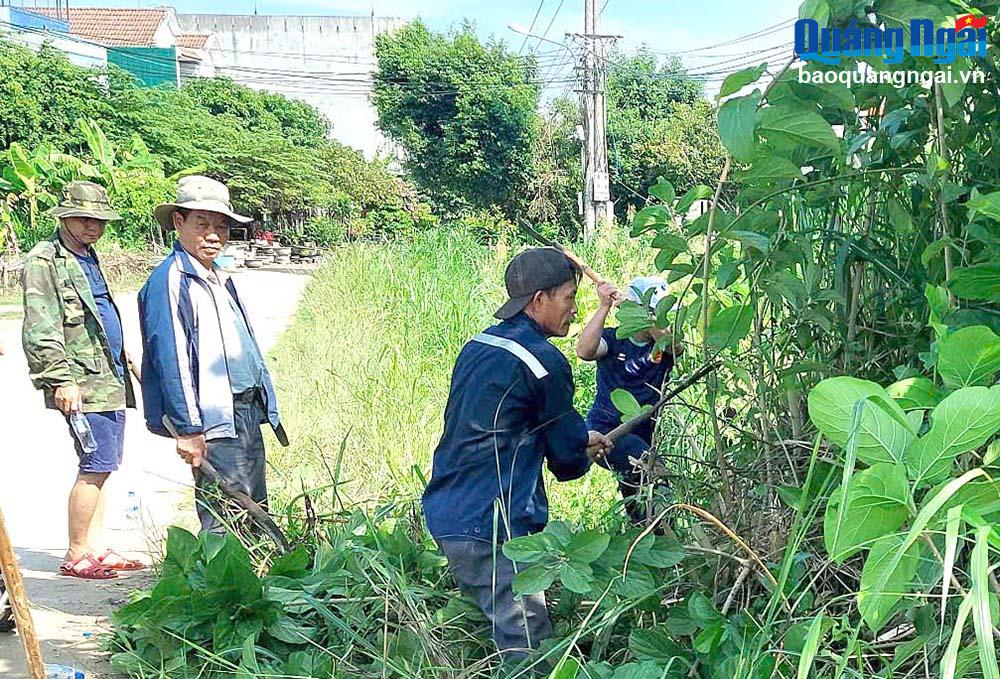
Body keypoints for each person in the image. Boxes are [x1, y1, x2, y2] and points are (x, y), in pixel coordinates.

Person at [423, 247, 612, 663]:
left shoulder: (478, 345)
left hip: (446, 509)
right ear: (539, 300)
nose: (575, 310)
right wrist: (585, 449)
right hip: (493, 527)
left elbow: (510, 422)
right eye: (568, 297)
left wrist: (579, 438)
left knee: (495, 624)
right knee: (530, 651)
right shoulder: (544, 362)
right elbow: (566, 461)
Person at [137, 175, 288, 534]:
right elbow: (171, 358)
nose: (213, 234)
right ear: (179, 222)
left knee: (253, 503)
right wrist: (188, 429)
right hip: (214, 416)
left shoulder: (218, 276)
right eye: (202, 224)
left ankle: (258, 578)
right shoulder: (172, 280)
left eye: (221, 226)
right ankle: (223, 585)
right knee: (226, 510)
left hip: (245, 408)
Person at [21, 181, 143, 579]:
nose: (93, 227)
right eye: (85, 219)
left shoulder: (88, 256)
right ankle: (76, 552)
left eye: (99, 220)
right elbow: (41, 326)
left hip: (108, 375)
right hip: (81, 381)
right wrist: (59, 379)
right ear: (66, 217)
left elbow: (101, 314)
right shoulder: (45, 260)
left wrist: (127, 359)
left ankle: (97, 546)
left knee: (105, 465)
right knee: (95, 462)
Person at [577, 276, 682, 523]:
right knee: (651, 472)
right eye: (655, 313)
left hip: (644, 433)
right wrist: (604, 306)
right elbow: (585, 351)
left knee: (637, 493)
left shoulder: (664, 345)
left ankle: (646, 543)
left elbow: (674, 347)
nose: (662, 320)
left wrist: (640, 313)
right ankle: (662, 534)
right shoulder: (615, 340)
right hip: (606, 432)